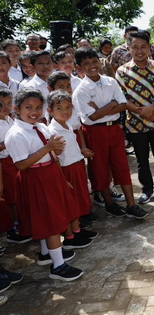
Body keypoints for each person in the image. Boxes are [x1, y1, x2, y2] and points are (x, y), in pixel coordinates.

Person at [5, 88, 83, 281]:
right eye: (28, 107)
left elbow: (53, 154)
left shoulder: (40, 127)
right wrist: (47, 148)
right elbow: (21, 164)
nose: (34, 111)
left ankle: (46, 253)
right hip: (35, 177)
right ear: (16, 108)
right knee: (50, 220)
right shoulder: (16, 134)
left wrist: (62, 179)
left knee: (49, 217)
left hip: (50, 174)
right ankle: (58, 266)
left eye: (39, 107)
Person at [72, 47, 148, 220]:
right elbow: (91, 118)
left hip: (114, 129)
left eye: (94, 62)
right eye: (86, 64)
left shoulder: (110, 82)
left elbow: (122, 105)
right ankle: (109, 204)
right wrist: (110, 106)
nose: (92, 66)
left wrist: (101, 110)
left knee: (121, 165)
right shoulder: (81, 90)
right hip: (95, 132)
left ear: (100, 62)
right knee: (100, 168)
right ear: (79, 68)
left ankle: (131, 204)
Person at [116, 30, 154, 204]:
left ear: (149, 47)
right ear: (129, 48)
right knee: (142, 159)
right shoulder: (122, 71)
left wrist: (151, 108)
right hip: (134, 123)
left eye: (143, 47)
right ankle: (147, 190)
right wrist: (141, 112)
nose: (139, 51)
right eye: (135, 47)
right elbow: (121, 98)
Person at [47, 90, 97, 249]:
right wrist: (63, 180)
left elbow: (72, 146)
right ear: (50, 110)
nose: (65, 112)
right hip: (66, 170)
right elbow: (56, 159)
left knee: (78, 200)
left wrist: (82, 150)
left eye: (68, 107)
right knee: (69, 204)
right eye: (59, 108)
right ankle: (69, 236)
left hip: (77, 165)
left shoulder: (67, 124)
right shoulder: (53, 132)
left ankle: (77, 230)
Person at [0, 88, 31, 244]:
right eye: (1, 104)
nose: (5, 107)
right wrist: (6, 143)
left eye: (8, 103)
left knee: (19, 193)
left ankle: (21, 223)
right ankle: (14, 227)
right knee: (11, 196)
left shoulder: (9, 119)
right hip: (4, 164)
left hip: (15, 160)